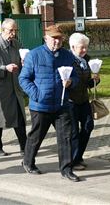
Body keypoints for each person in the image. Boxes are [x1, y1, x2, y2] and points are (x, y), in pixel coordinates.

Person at [19, 25, 80, 182]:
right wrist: (37, 94)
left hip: (62, 104)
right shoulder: (35, 55)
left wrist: (71, 82)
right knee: (36, 136)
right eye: (53, 38)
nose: (57, 41)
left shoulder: (67, 56)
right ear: (46, 38)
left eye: (59, 38)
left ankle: (66, 169)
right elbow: (23, 79)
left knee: (66, 136)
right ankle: (28, 162)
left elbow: (76, 77)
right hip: (41, 105)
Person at [0, 18, 27, 156]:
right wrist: (4, 68)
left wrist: (24, 63)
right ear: (3, 30)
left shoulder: (17, 44)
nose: (13, 33)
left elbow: (20, 63)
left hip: (14, 87)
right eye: (10, 30)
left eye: (15, 30)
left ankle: (24, 147)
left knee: (19, 117)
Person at [68, 33, 100, 171]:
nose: (85, 50)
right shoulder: (67, 60)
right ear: (73, 47)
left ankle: (78, 155)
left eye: (86, 47)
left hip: (84, 100)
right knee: (73, 132)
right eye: (82, 48)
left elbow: (88, 84)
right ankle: (72, 160)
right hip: (70, 101)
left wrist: (95, 80)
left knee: (88, 126)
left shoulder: (86, 60)